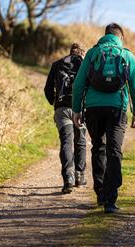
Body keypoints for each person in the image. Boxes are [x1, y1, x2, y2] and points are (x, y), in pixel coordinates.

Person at [72, 23, 135, 213]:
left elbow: (79, 83)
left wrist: (76, 109)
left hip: (94, 108)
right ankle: (111, 198)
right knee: (114, 150)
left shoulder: (93, 53)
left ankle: (100, 193)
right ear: (121, 38)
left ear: (105, 36)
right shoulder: (127, 55)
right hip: (117, 108)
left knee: (98, 147)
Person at [44, 43, 87, 194]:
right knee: (80, 141)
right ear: (82, 53)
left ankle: (68, 177)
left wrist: (54, 102)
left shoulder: (57, 64)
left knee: (66, 142)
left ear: (70, 52)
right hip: (81, 109)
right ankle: (79, 176)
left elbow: (48, 89)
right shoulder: (85, 64)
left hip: (62, 108)